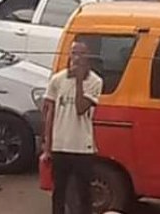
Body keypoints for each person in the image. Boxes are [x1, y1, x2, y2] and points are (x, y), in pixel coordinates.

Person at [43, 41, 103, 214]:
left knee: (84, 192)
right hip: (60, 145)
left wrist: (78, 82)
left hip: (82, 147)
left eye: (81, 54)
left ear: (88, 57)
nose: (77, 58)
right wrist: (47, 147)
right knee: (59, 192)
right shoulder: (57, 79)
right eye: (74, 53)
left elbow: (80, 108)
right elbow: (49, 113)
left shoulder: (95, 81)